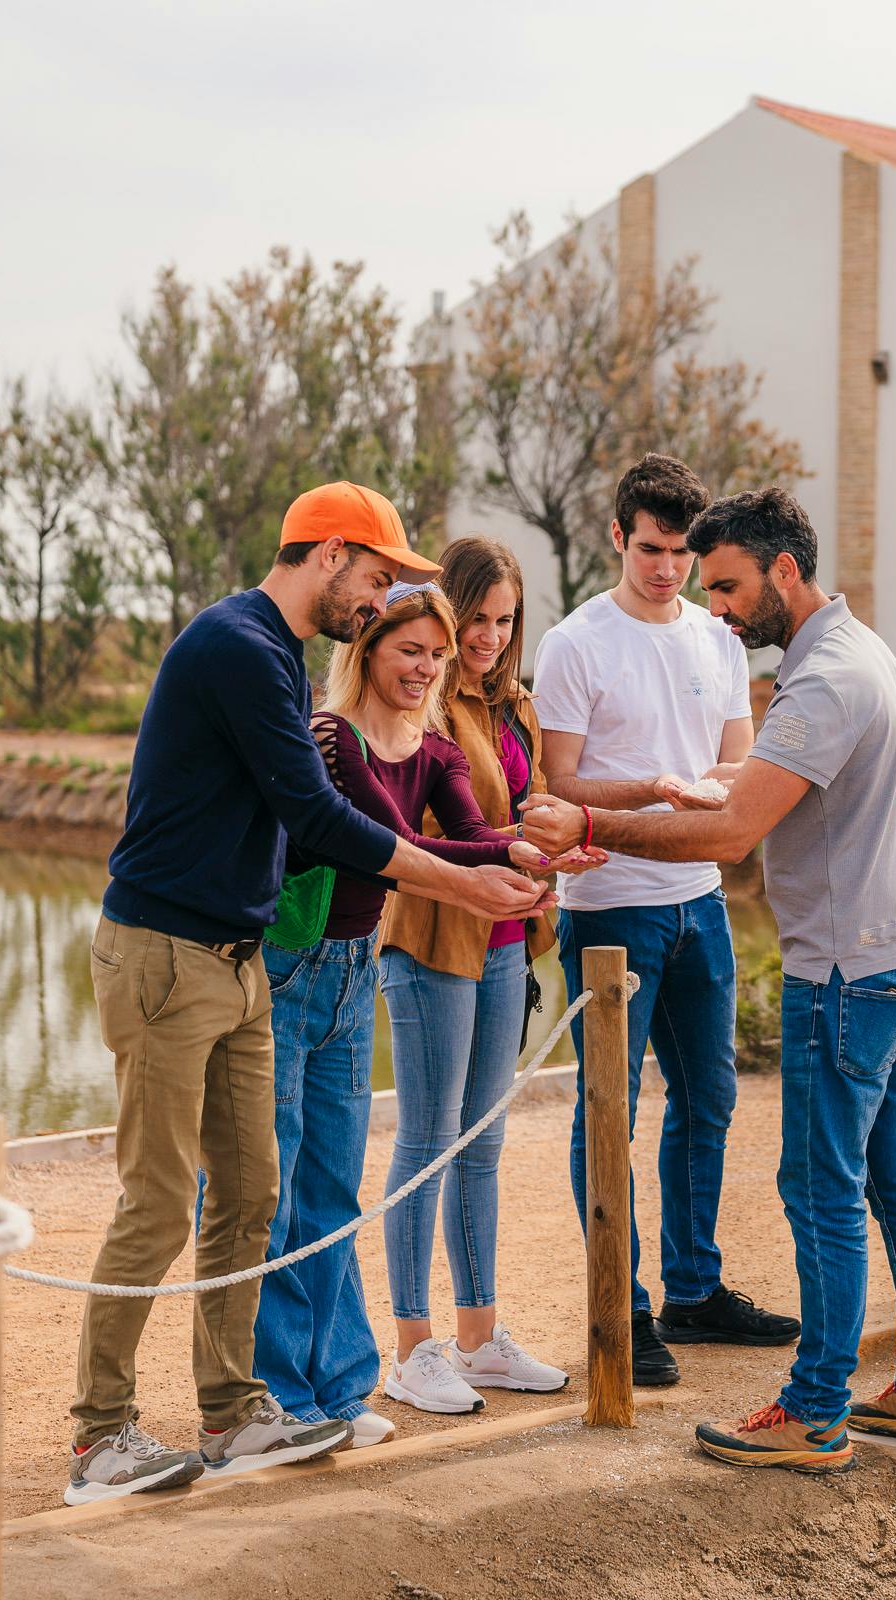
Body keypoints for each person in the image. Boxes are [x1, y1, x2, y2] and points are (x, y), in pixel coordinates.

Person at [69, 481, 548, 1506]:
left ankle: (233, 1413)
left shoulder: (275, 656)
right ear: (326, 556)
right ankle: (97, 1437)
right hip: (161, 948)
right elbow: (319, 817)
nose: (378, 603)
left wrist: (494, 846)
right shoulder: (236, 647)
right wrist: (464, 879)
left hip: (239, 957)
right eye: (374, 579)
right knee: (157, 1197)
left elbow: (325, 819)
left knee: (252, 1194)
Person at [522, 485, 896, 1474]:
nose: (716, 607)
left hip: (844, 974)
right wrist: (683, 785)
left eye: (726, 584)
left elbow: (729, 837)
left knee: (820, 1188)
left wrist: (590, 824)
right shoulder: (864, 651)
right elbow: (757, 784)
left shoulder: (821, 680)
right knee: (895, 1182)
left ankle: (815, 1409)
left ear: (786, 570)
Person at [251, 580, 589, 1445]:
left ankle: (336, 1392)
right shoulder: (333, 737)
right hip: (294, 965)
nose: (427, 667)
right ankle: (285, 1394)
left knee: (330, 1184)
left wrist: (522, 851)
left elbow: (469, 828)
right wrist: (487, 864)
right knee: (283, 1184)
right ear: (367, 649)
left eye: (436, 656)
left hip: (354, 967)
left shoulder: (435, 745)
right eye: (412, 650)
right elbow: (386, 845)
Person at [532, 454, 798, 1388]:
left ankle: (693, 1290)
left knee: (710, 1101)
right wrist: (650, 790)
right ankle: (623, 1306)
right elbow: (557, 785)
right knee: (608, 1110)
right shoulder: (574, 643)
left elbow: (735, 764)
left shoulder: (718, 640)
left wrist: (709, 794)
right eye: (649, 549)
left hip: (700, 904)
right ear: (617, 536)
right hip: (608, 910)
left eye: (682, 554)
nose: (666, 570)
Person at [377, 538, 582, 1414]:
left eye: (506, 620)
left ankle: (478, 1337)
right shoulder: (423, 704)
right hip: (429, 936)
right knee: (427, 1142)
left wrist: (558, 857)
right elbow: (428, 821)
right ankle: (412, 1346)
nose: (491, 636)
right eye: (478, 619)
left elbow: (522, 814)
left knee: (483, 1143)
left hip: (505, 939)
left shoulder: (516, 706)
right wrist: (515, 847)